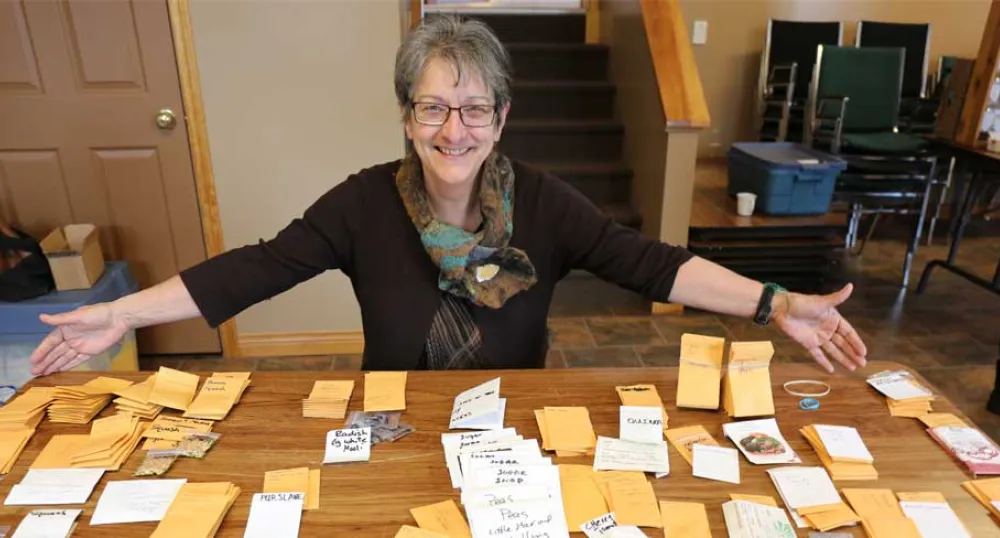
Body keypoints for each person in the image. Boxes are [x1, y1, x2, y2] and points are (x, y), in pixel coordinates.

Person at [28, 15, 867, 376]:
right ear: (406, 115)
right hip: (395, 418)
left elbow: (651, 265)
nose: (452, 130)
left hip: (514, 423)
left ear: (500, 117)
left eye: (472, 109)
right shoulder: (360, 206)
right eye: (432, 107)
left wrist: (776, 305)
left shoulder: (546, 204)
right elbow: (257, 268)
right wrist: (124, 313)